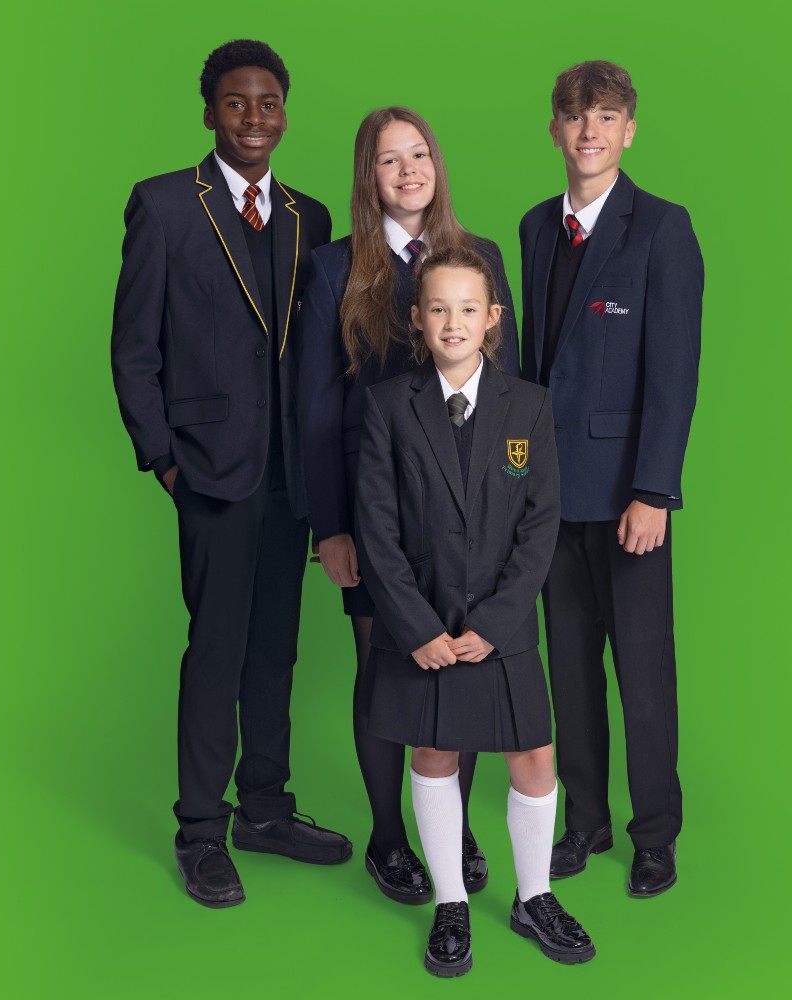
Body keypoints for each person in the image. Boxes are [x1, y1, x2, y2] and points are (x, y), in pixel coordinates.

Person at [110, 39, 351, 909]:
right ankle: (201, 832)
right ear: (210, 111)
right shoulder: (168, 206)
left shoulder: (308, 217)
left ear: (286, 112)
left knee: (276, 651)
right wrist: (165, 463)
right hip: (209, 473)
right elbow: (134, 352)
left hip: (290, 478)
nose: (257, 117)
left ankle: (266, 809)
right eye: (239, 103)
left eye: (271, 102)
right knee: (215, 651)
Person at [298, 107, 520, 904]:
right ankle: (389, 840)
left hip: (469, 514)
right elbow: (317, 406)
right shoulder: (333, 269)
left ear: (437, 163)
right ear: (369, 176)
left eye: (418, 153)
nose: (408, 170)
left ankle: (450, 835)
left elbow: (511, 400)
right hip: (376, 511)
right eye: (389, 160)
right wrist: (332, 525)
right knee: (383, 670)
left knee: (461, 669)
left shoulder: (482, 257)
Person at [355, 247, 594, 976]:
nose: (452, 322)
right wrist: (419, 628)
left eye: (467, 308)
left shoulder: (530, 406)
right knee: (433, 753)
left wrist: (492, 623)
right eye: (437, 308)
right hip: (421, 624)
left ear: (492, 319)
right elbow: (378, 527)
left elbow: (540, 525)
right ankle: (451, 903)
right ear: (416, 320)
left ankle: (534, 896)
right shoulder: (389, 407)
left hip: (502, 626)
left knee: (534, 757)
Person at [519, 60, 703, 896]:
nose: (588, 131)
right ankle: (585, 820)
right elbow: (529, 371)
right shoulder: (531, 229)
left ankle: (654, 832)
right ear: (554, 129)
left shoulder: (662, 228)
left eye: (605, 116)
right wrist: (518, 477)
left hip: (630, 497)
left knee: (642, 669)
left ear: (629, 130)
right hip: (550, 497)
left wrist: (654, 491)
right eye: (574, 116)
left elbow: (673, 373)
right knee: (569, 667)